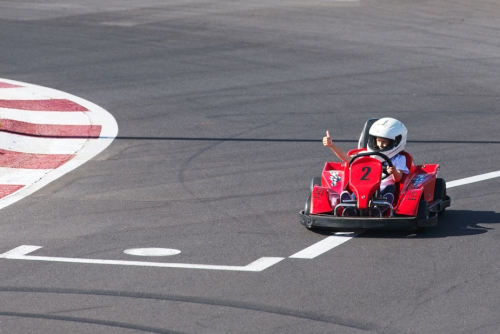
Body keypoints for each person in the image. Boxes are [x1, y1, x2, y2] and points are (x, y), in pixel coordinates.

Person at [322, 117, 409, 208]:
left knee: (391, 188)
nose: (380, 145)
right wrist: (332, 146)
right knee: (358, 189)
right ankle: (350, 206)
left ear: (394, 142)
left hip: (383, 190)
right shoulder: (366, 154)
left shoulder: (399, 158)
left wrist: (394, 172)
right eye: (378, 141)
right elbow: (347, 158)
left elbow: (398, 178)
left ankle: (383, 207)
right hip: (364, 188)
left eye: (384, 142)